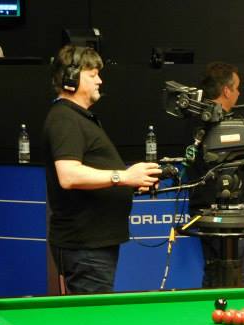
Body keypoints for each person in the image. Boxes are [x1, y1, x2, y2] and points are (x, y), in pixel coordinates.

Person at [44, 45, 161, 295]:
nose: (100, 80)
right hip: (85, 246)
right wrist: (123, 176)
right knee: (91, 316)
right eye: (93, 74)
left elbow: (92, 172)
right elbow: (69, 175)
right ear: (70, 79)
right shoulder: (64, 118)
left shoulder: (77, 117)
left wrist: (133, 181)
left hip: (92, 245)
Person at [187, 61, 244, 287]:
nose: (239, 93)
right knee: (236, 275)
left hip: (214, 213)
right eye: (237, 88)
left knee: (215, 272)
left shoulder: (198, 120)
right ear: (226, 90)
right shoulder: (219, 126)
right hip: (225, 216)